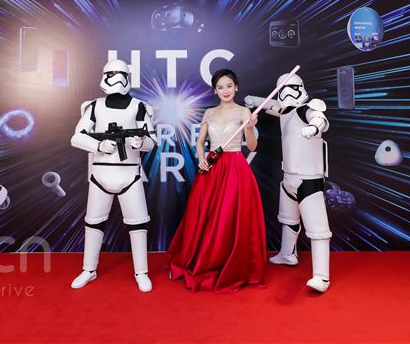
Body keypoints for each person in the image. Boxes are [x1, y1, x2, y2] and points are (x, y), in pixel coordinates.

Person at [167, 69, 267, 293]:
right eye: (220, 87)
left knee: (230, 215)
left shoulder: (244, 111)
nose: (225, 90)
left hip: (235, 167)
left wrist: (250, 128)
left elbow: (252, 147)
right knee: (206, 214)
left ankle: (231, 263)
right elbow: (200, 141)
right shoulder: (209, 113)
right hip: (212, 166)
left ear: (236, 87)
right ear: (215, 90)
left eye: (229, 86)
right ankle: (204, 259)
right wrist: (201, 158)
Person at [70, 59, 156, 292]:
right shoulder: (94, 106)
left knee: (138, 223)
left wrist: (140, 142)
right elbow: (77, 137)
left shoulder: (139, 107)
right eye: (111, 74)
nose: (116, 79)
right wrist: (99, 145)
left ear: (127, 77)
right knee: (93, 221)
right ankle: (89, 269)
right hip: (101, 173)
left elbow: (152, 140)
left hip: (130, 174)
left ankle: (141, 271)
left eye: (121, 74)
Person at [245, 71, 332, 293]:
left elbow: (319, 118)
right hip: (289, 176)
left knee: (318, 229)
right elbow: (272, 104)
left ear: (300, 88)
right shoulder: (286, 111)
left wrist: (314, 128)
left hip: (309, 178)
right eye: (283, 90)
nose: (287, 94)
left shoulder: (307, 108)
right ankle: (287, 254)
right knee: (288, 219)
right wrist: (254, 100)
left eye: (292, 89)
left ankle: (321, 277)